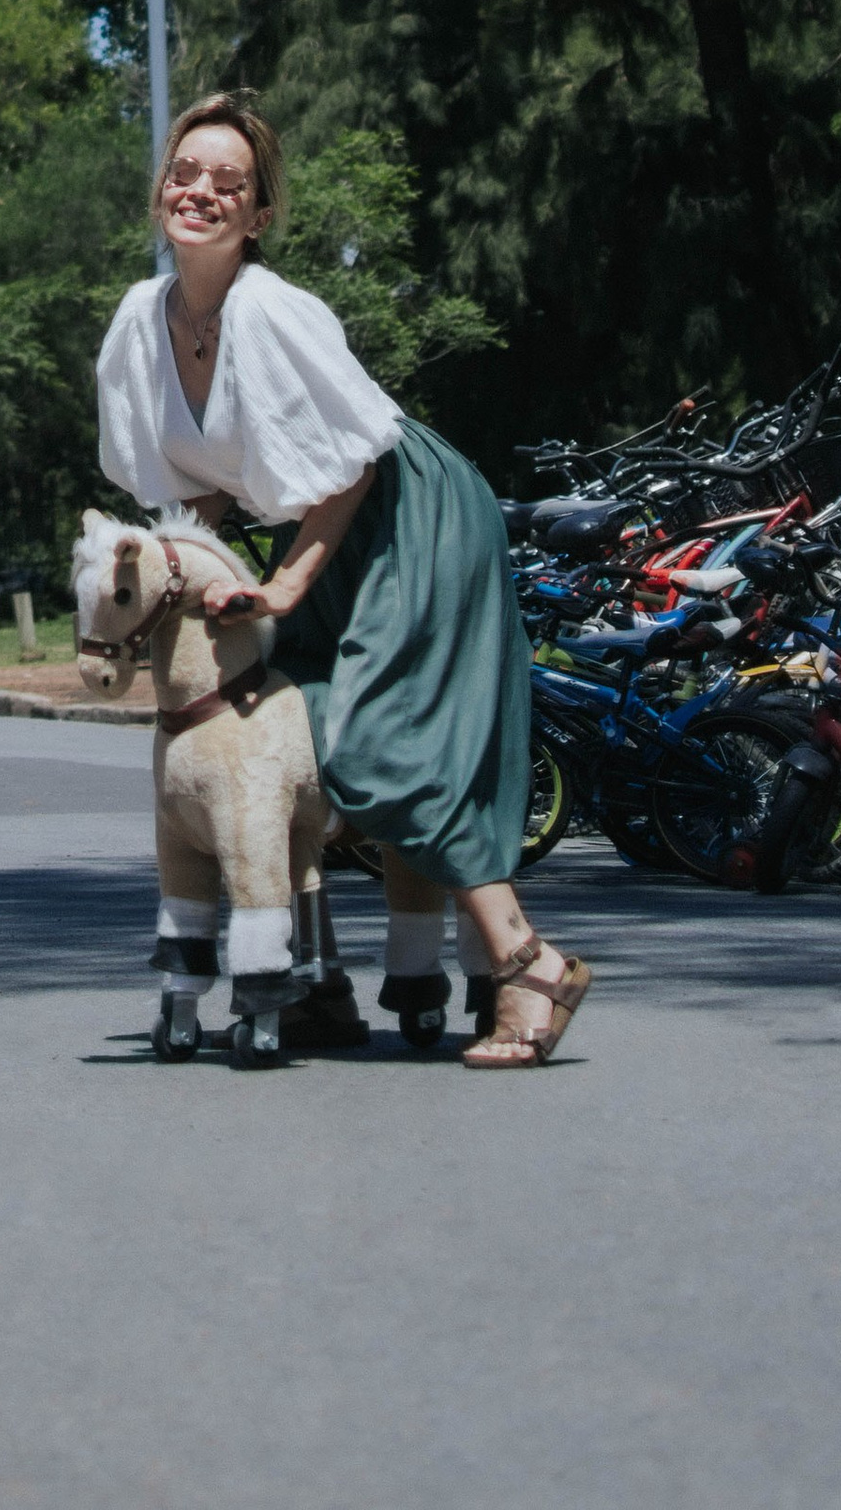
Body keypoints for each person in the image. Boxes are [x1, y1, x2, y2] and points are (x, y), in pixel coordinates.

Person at [95, 93, 590, 1071]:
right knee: (280, 723)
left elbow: (351, 468)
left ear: (259, 214)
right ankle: (313, 983)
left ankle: (526, 961)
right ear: (160, 187)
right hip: (325, 529)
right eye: (184, 173)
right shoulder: (139, 321)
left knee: (374, 740)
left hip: (411, 514)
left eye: (227, 182)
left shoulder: (271, 312)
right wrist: (178, 601)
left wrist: (284, 589)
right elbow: (195, 505)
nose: (199, 191)